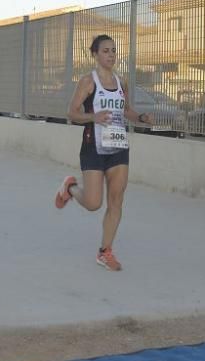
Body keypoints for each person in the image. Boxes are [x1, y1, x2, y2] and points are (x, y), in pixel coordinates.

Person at [54, 34, 153, 272]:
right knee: (93, 203)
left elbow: (126, 110)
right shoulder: (89, 82)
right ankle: (70, 188)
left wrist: (140, 118)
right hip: (93, 146)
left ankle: (105, 251)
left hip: (118, 146)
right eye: (106, 51)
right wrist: (93, 117)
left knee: (116, 200)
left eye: (114, 50)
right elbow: (72, 113)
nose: (111, 55)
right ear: (95, 54)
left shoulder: (122, 83)